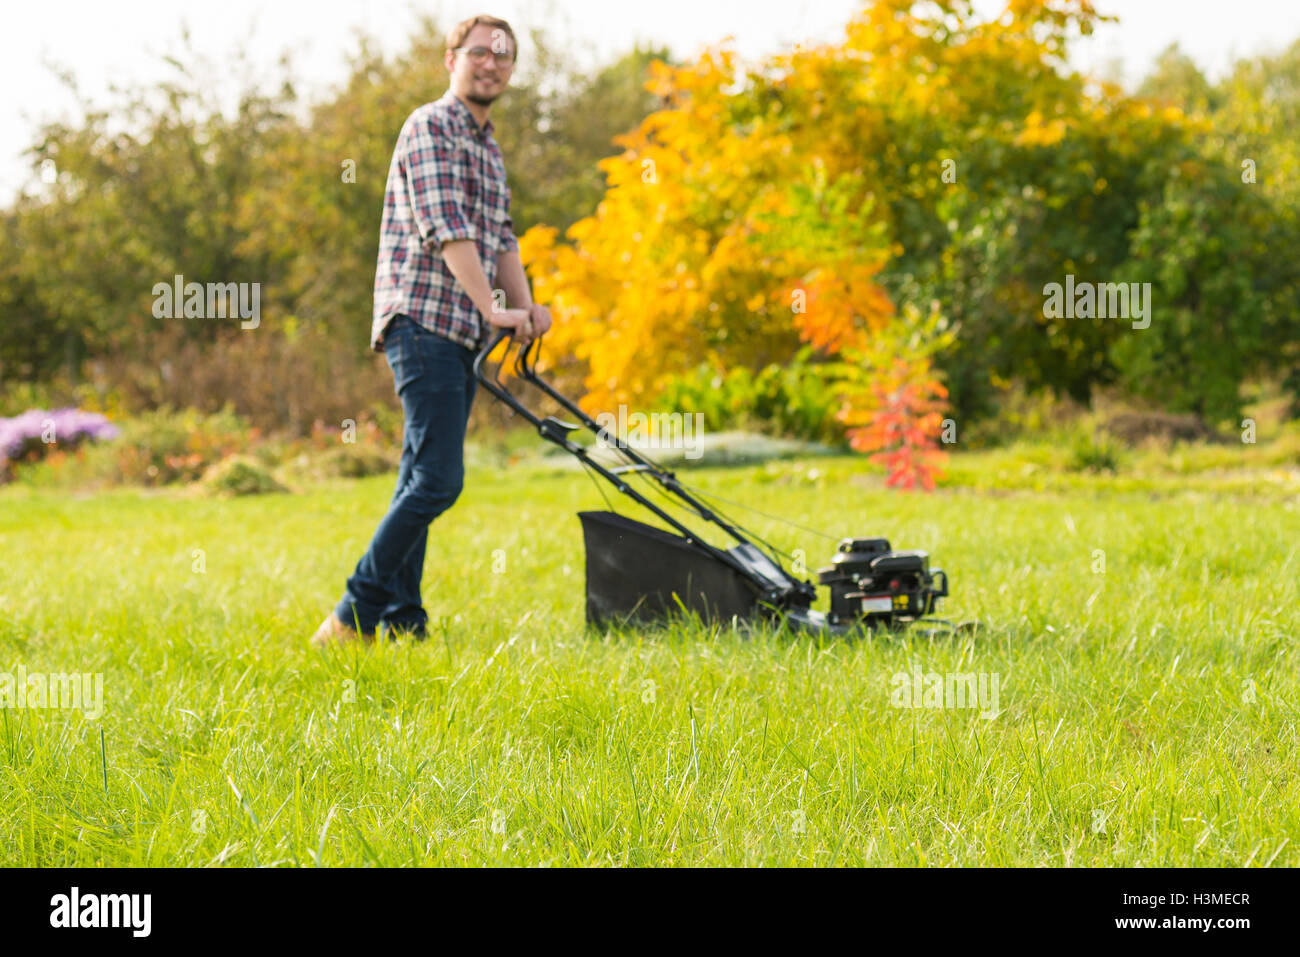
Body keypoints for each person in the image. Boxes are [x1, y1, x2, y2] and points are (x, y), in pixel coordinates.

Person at [311, 13, 551, 647]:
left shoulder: (488, 146)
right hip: (420, 321)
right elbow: (449, 231)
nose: (491, 64)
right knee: (441, 480)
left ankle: (402, 621)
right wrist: (494, 307)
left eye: (503, 57)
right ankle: (351, 612)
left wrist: (526, 309)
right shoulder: (430, 128)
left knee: (418, 473)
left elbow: (501, 239)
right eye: (479, 53)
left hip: (461, 333)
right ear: (452, 60)